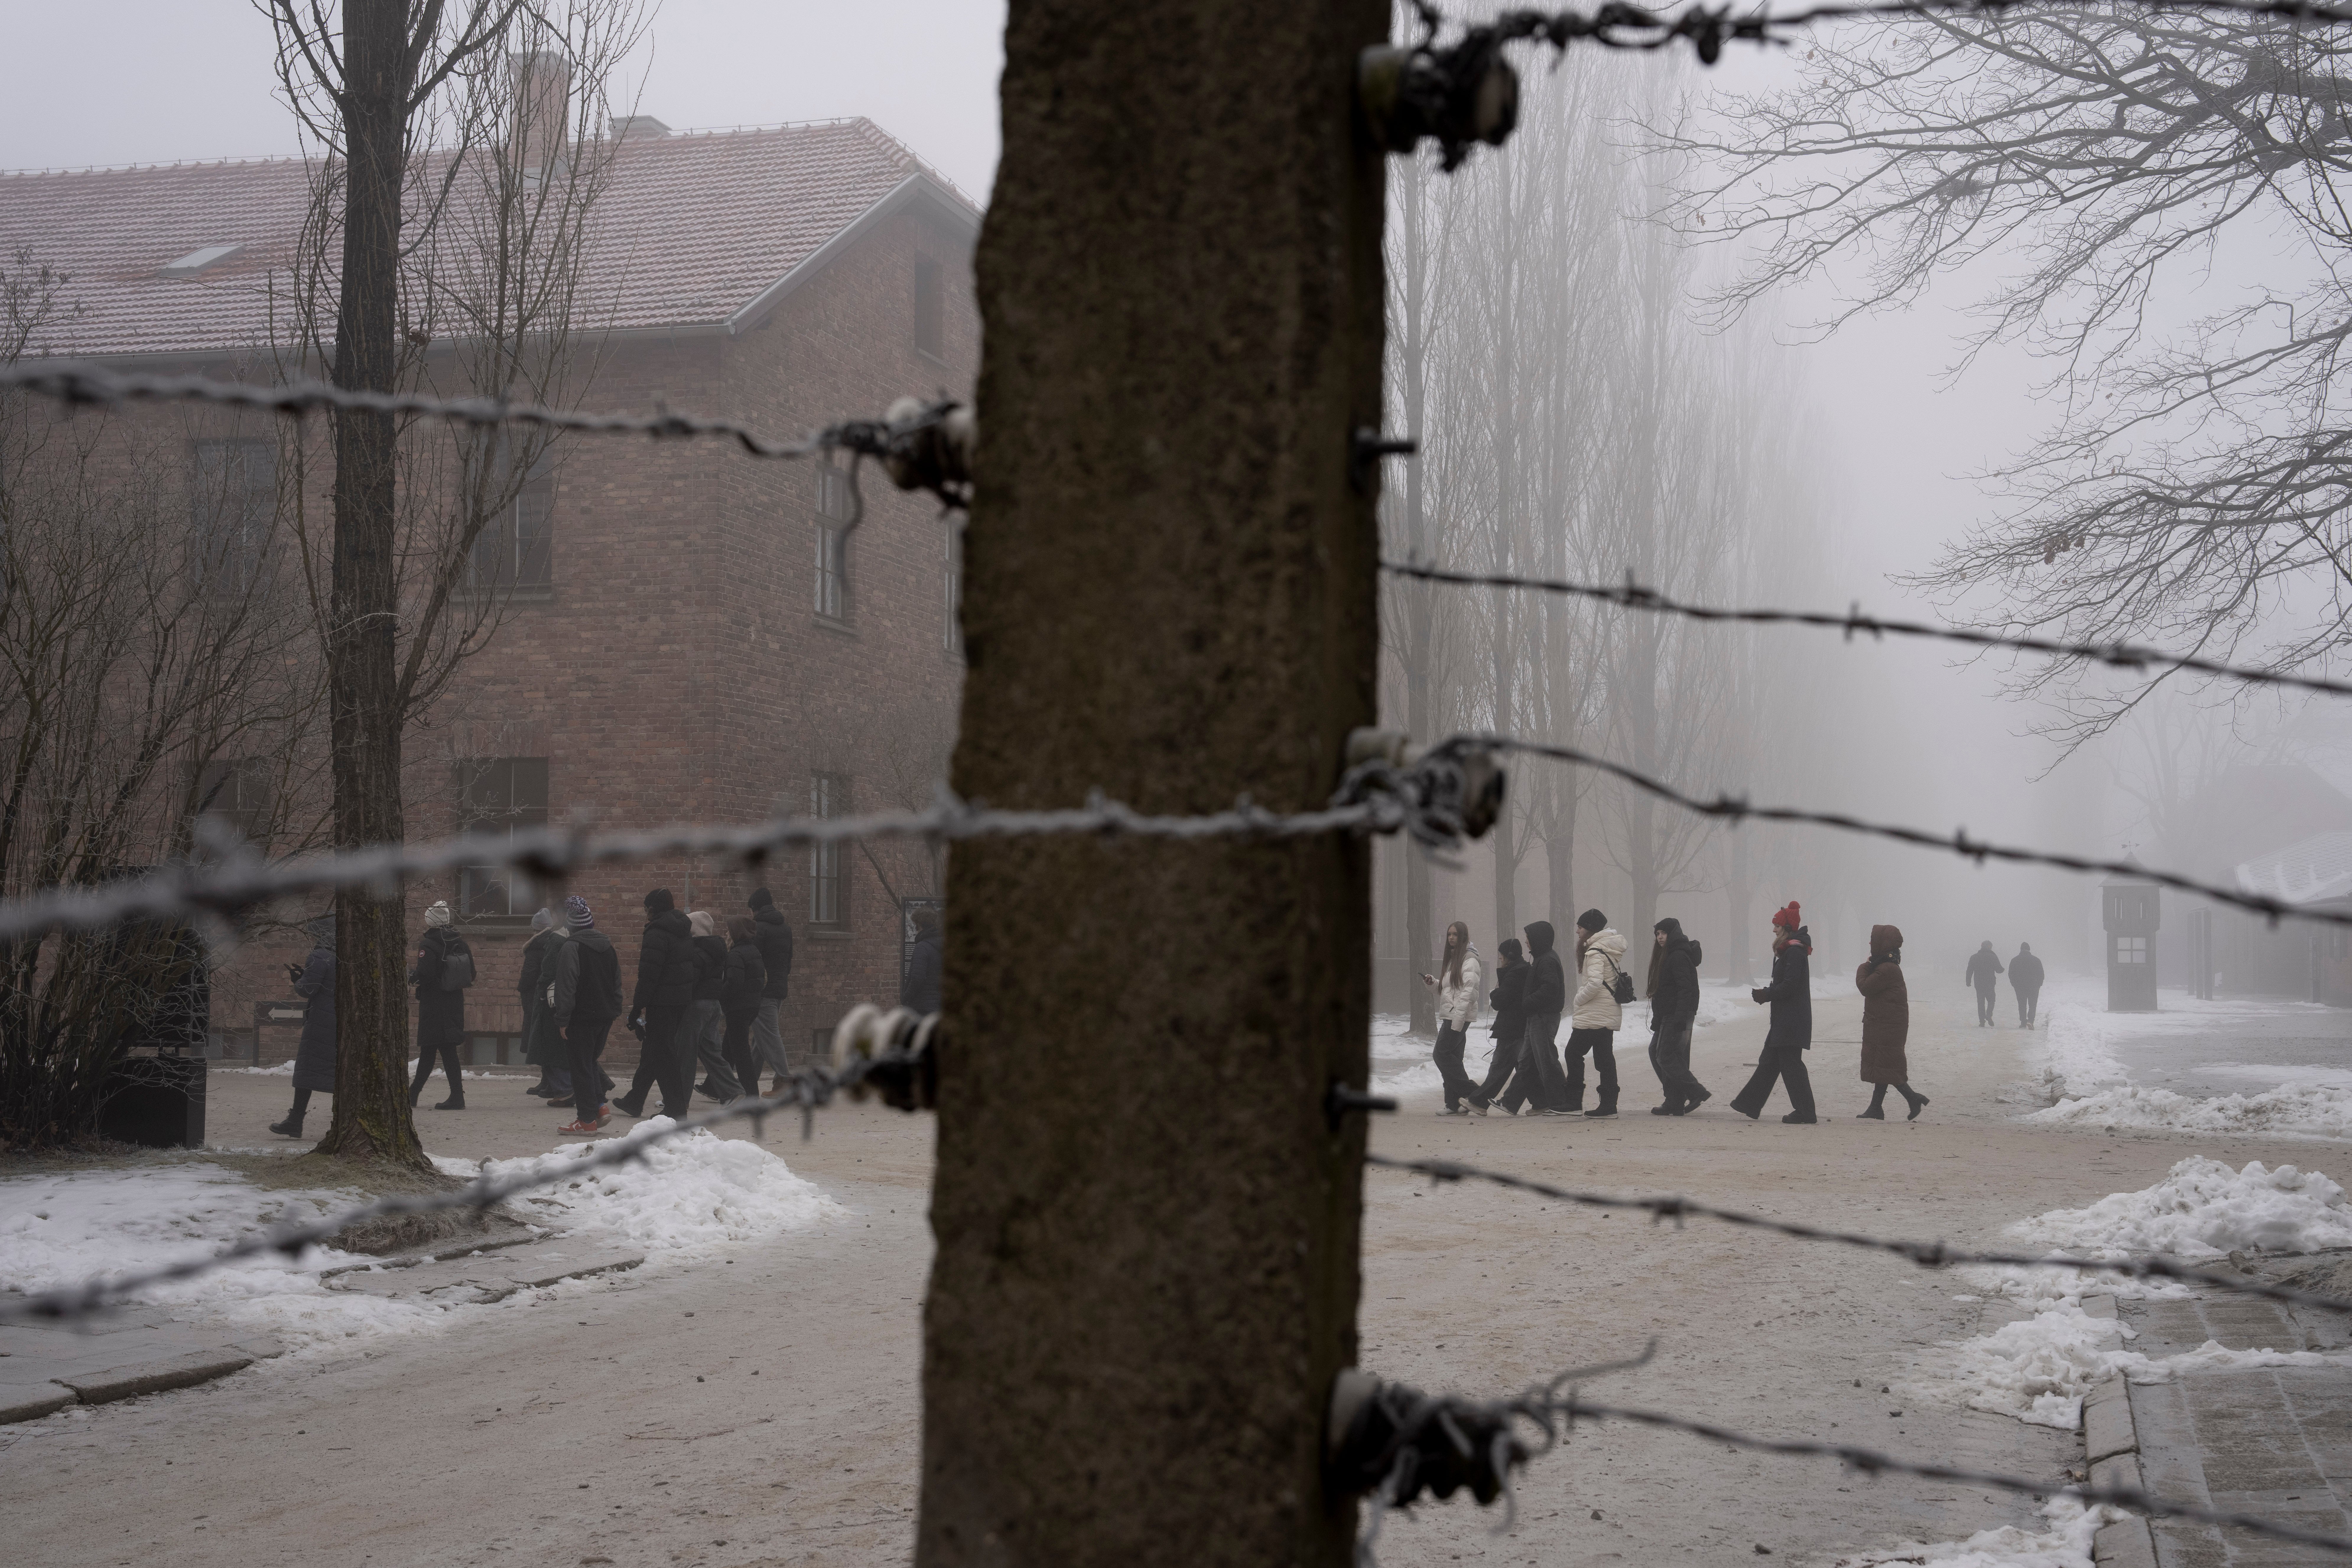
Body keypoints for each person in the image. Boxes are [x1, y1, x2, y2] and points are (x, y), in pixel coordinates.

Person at [1731, 902, 1818, 1124]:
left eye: (1777, 925)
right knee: (1769, 1060)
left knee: (1791, 1065)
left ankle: (1806, 1112)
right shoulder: (1789, 952)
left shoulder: (1795, 953)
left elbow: (1790, 986)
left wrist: (1766, 994)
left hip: (1791, 1020)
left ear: (1787, 927)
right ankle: (1749, 1104)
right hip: (1785, 1019)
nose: (1774, 930)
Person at [616, 888, 699, 1119]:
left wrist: (636, 1009)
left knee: (664, 1053)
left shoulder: (657, 932)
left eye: (645, 909)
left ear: (652, 909)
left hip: (661, 1002)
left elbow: (649, 975)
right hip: (680, 1000)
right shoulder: (683, 929)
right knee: (655, 1048)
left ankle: (676, 1108)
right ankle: (635, 1100)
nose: (645, 914)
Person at [553, 896, 623, 1135]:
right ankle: (600, 1107)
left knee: (580, 1067)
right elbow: (617, 984)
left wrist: (562, 1020)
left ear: (570, 926)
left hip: (580, 1019)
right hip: (604, 1016)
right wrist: (615, 1010)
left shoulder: (571, 947)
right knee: (589, 1063)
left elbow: (566, 987)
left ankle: (586, 1121)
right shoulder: (608, 947)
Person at [271, 915, 336, 1138]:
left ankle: (295, 1121)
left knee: (307, 1070)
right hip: (340, 1020)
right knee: (338, 1071)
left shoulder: (320, 956)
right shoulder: (344, 957)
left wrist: (297, 980)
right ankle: (340, 1123)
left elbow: (308, 990)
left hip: (320, 1022)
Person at [1857, 924, 1927, 1121]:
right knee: (1885, 1065)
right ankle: (1876, 1108)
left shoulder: (1886, 969)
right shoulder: (1886, 966)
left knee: (1888, 1066)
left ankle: (1912, 1098)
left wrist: (1863, 968)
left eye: (1873, 941)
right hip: (1886, 1024)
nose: (1870, 944)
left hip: (1886, 1026)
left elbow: (1865, 987)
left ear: (1882, 944)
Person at [408, 900, 473, 1110]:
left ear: (430, 921)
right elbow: (472, 973)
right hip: (454, 1001)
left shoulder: (429, 944)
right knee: (444, 1048)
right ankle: (416, 1093)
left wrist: (412, 977)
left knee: (434, 1048)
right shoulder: (460, 942)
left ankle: (448, 1096)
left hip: (434, 1003)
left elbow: (425, 975)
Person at [1565, 909, 1628, 1118]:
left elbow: (1593, 983)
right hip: (1605, 1011)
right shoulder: (1608, 949)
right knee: (1604, 1059)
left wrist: (1577, 1001)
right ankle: (1609, 1104)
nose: (1577, 931)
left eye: (1580, 928)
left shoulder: (1594, 952)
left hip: (1594, 1013)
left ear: (1590, 930)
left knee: (1573, 1053)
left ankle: (1574, 1102)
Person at [1646, 917, 1710, 1116]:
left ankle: (1696, 1092)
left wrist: (1681, 1017)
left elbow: (1687, 989)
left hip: (1676, 1014)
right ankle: (1674, 1100)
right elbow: (1665, 990)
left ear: (1673, 933)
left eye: (1663, 933)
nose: (1660, 937)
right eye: (1657, 934)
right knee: (1656, 1052)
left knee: (1665, 1056)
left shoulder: (1678, 956)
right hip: (1668, 1013)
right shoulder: (1668, 955)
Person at [1418, 922, 1483, 1114]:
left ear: (1463, 937)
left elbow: (1468, 993)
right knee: (1453, 1058)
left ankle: (1476, 1096)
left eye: (1455, 934)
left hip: (1457, 1017)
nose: (1451, 938)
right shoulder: (1455, 959)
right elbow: (1448, 991)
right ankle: (1454, 1104)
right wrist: (1433, 983)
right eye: (1449, 934)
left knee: (1441, 1055)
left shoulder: (1469, 959)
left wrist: (1458, 1021)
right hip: (1453, 1015)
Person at [1515, 919, 1572, 1115]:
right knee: (1528, 1061)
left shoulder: (1547, 960)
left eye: (1529, 938)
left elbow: (1550, 989)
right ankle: (1541, 1102)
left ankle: (1562, 1102)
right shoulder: (1542, 958)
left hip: (1544, 1017)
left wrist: (1528, 1002)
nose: (1526, 941)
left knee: (1546, 1060)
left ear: (1538, 939)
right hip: (1537, 1016)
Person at [686, 910, 744, 1102]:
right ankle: (734, 1092)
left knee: (685, 1053)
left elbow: (690, 981)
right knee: (712, 1053)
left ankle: (678, 1101)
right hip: (713, 1005)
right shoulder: (719, 950)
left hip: (696, 1005)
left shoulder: (696, 951)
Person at [1466, 937, 1528, 1115]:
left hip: (1512, 1027)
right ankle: (1542, 1101)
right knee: (1524, 1067)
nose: (1499, 959)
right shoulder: (1521, 970)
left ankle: (1478, 1102)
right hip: (1517, 1026)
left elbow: (1501, 1001)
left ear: (1508, 956)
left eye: (1501, 956)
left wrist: (1494, 993)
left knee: (1500, 1067)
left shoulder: (1516, 973)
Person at [747, 888, 796, 1093]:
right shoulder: (785, 928)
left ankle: (784, 1080)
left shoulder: (759, 928)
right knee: (761, 1038)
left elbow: (753, 960)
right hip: (779, 987)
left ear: (755, 908)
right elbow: (789, 960)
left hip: (763, 990)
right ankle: (747, 1082)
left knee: (769, 1034)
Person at [519, 908, 570, 1101]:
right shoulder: (555, 941)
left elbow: (531, 974)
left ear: (536, 928)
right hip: (548, 996)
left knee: (542, 1040)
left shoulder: (536, 945)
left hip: (538, 997)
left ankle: (550, 1083)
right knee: (546, 1040)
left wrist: (523, 988)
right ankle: (548, 1082)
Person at [720, 916, 770, 1098]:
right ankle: (714, 1086)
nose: (726, 934)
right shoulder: (754, 951)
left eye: (728, 931)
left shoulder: (736, 954)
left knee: (741, 1054)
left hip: (738, 1008)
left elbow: (733, 982)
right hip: (751, 1006)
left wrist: (721, 997)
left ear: (735, 933)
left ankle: (751, 1096)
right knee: (728, 1049)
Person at [901, 906, 943, 1015]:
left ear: (919, 925)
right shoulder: (942, 945)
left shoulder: (922, 947)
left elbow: (917, 978)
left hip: (922, 1008)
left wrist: (906, 998)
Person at [1965, 940, 2004, 1027]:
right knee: (1991, 1000)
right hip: (1990, 983)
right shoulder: (1993, 957)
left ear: (1982, 946)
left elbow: (1969, 971)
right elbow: (1999, 970)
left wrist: (1968, 981)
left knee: (1981, 1002)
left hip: (1979, 983)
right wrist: (2003, 970)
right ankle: (1989, 1015)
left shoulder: (1974, 957)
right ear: (1990, 947)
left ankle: (1982, 1021)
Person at [2010, 942, 2046, 1028]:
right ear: (2029, 950)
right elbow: (2041, 974)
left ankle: (2023, 1022)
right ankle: (2031, 1021)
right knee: (2033, 1005)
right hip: (2034, 986)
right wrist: (2039, 984)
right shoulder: (2036, 960)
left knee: (2022, 1004)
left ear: (2021, 949)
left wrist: (2014, 984)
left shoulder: (2015, 960)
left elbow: (2011, 974)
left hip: (2020, 987)